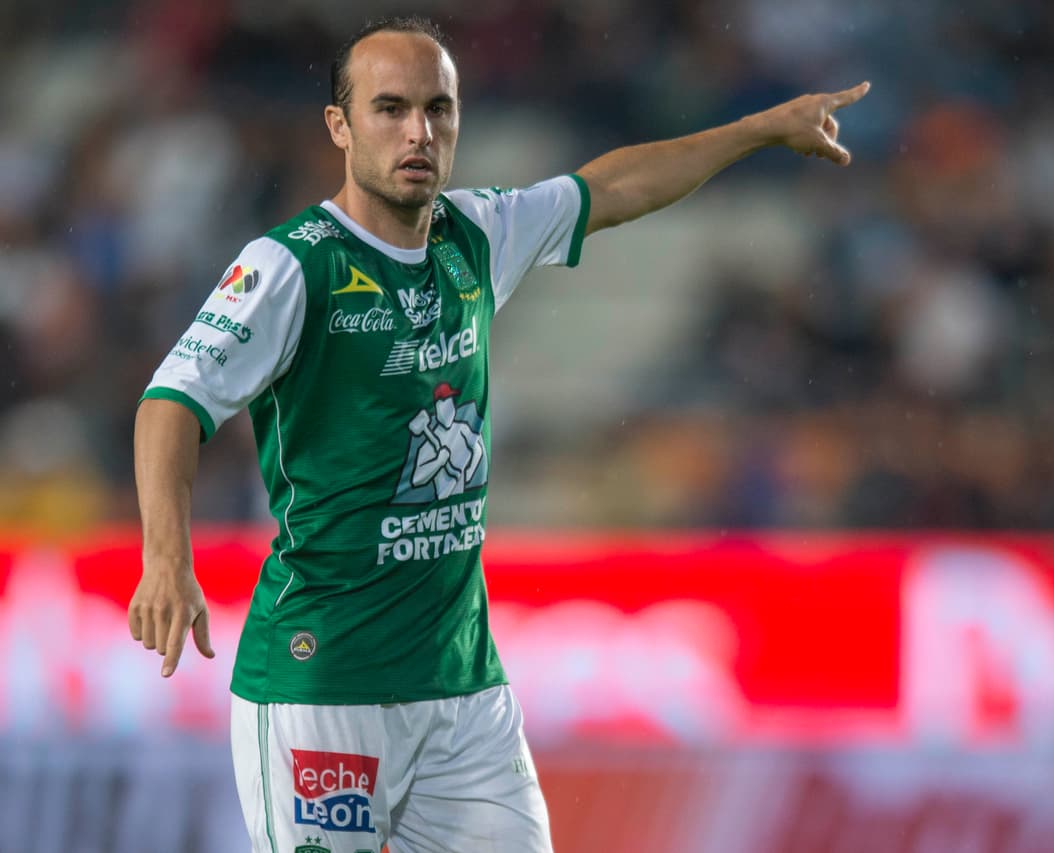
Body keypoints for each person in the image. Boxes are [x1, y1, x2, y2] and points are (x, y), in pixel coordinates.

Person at [126, 15, 870, 853]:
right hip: (322, 682)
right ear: (340, 126)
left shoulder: (475, 235)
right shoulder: (292, 265)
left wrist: (759, 129)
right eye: (390, 109)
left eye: (438, 109)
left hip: (464, 692)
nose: (418, 131)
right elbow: (171, 401)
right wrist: (166, 557)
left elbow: (613, 188)